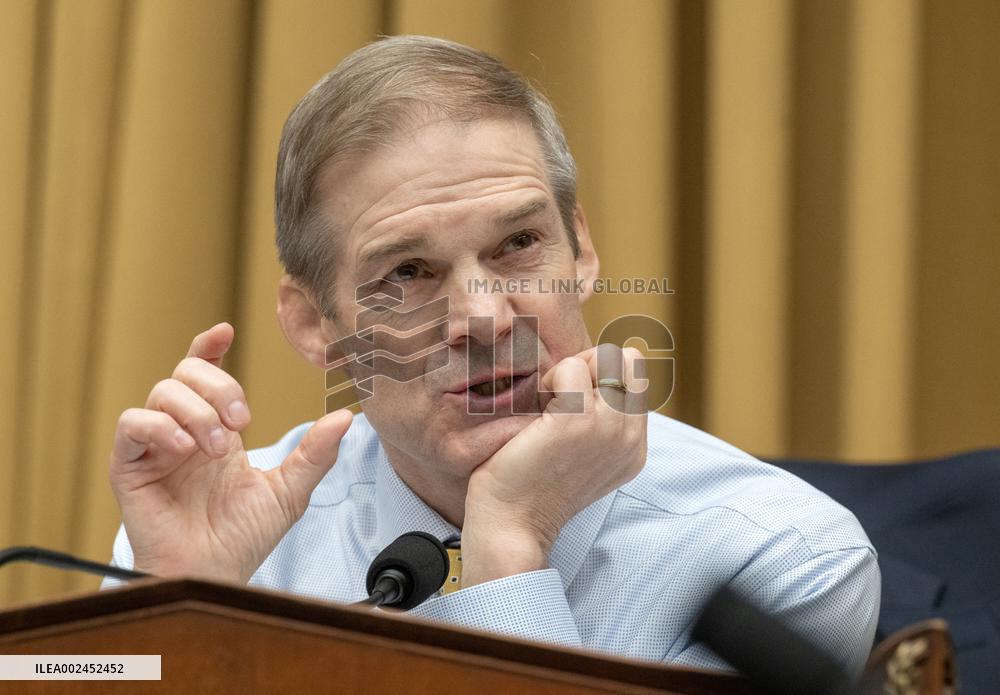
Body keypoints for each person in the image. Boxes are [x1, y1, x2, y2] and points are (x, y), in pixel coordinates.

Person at [105, 35, 879, 674]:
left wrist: (510, 539)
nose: (482, 317)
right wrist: (180, 619)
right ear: (316, 324)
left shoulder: (786, 560)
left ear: (579, 251)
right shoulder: (233, 534)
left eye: (517, 244)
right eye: (407, 272)